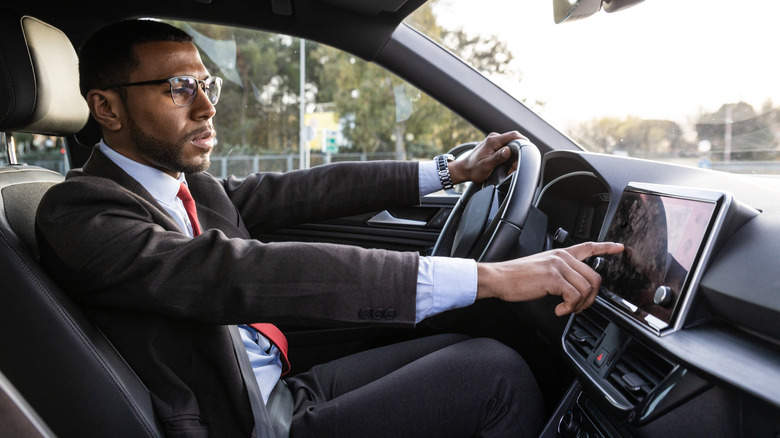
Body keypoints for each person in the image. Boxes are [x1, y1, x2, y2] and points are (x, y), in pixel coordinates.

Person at [36, 19, 623, 438]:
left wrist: (450, 170)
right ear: (108, 109)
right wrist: (487, 278)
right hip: (246, 421)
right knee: (497, 376)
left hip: (277, 386)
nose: (207, 108)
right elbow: (239, 273)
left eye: (205, 85)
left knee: (472, 347)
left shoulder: (185, 187)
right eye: (178, 88)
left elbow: (301, 190)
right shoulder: (81, 212)